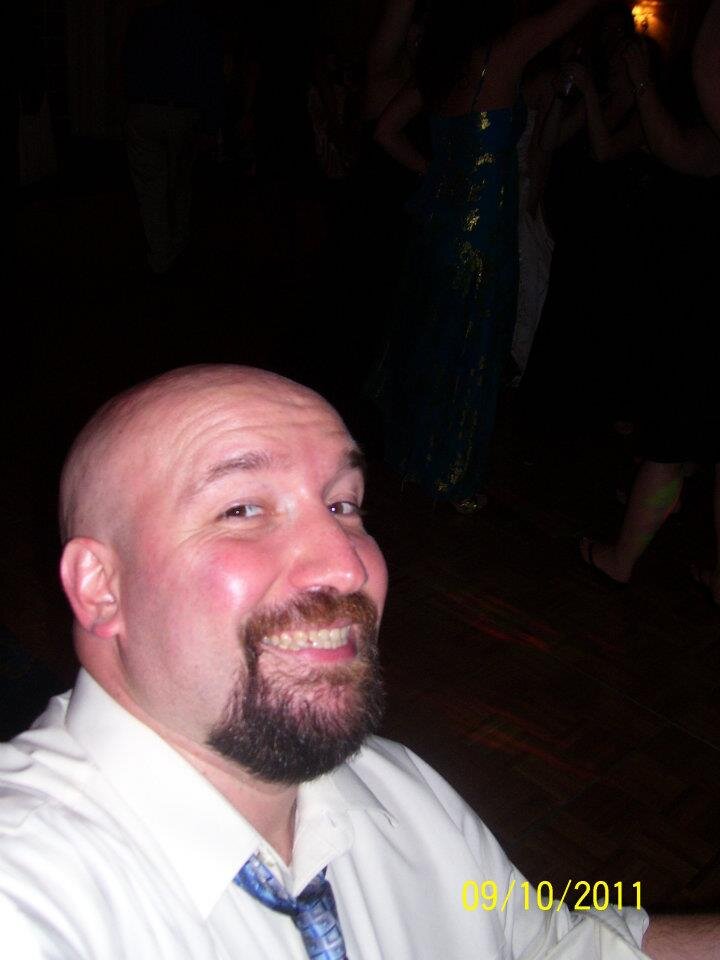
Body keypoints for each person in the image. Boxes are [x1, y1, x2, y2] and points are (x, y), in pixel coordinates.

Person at [0, 364, 717, 958]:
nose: (347, 567)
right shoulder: (31, 889)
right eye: (242, 509)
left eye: (343, 505)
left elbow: (542, 943)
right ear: (101, 587)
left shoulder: (398, 789)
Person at [369, 0, 606, 513]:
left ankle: (414, 457)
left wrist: (436, 173)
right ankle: (452, 475)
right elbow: (564, 14)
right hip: (482, 237)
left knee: (432, 340)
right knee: (473, 346)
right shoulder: (499, 55)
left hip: (438, 228)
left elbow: (386, 132)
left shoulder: (442, 69)